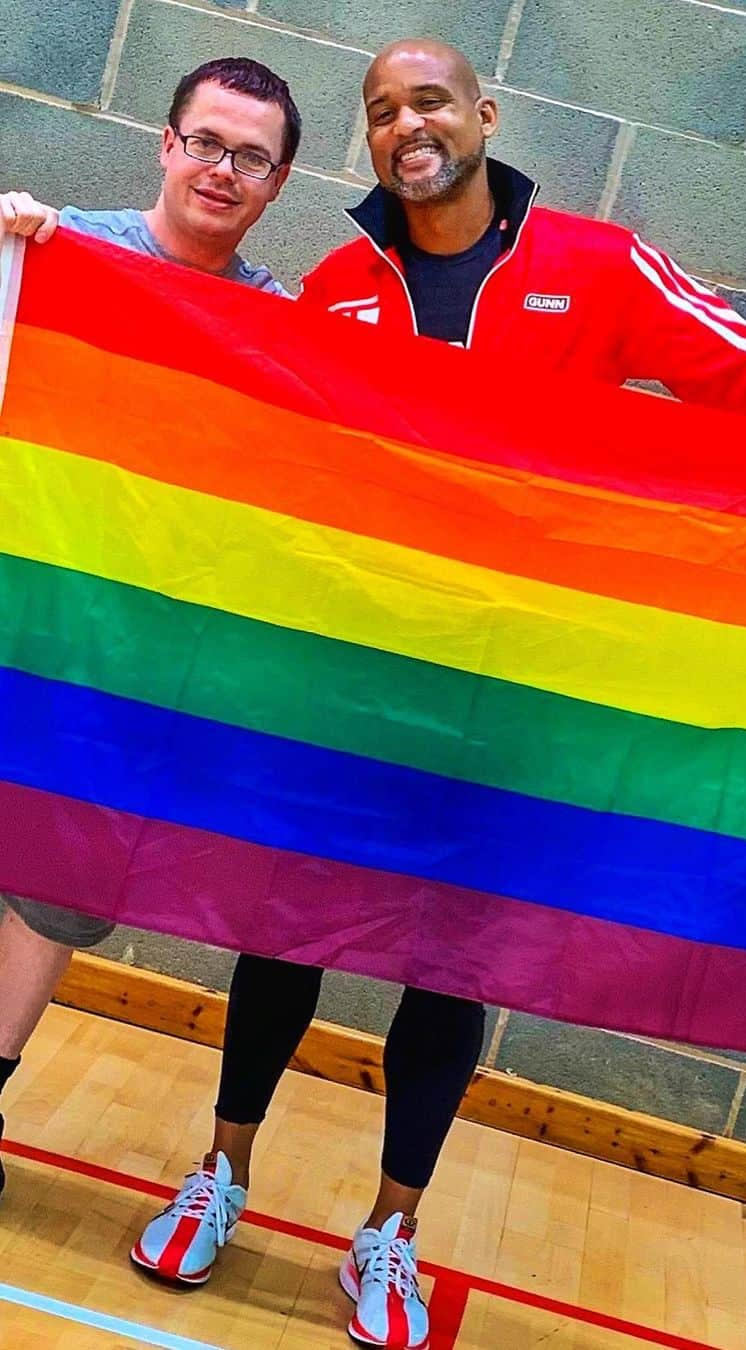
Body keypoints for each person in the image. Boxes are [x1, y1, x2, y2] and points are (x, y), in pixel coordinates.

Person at [7, 36, 746, 1350]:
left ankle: (390, 1229)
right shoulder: (336, 286)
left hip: (514, 705)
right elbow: (213, 399)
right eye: (385, 108)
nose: (411, 125)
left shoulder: (598, 267)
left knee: (452, 963)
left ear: (483, 115)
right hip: (346, 685)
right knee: (279, 926)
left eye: (432, 102)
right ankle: (223, 1169)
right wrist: (48, 266)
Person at [0, 42, 296, 1269]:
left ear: (277, 183)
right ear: (166, 144)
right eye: (208, 142)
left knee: (49, 887)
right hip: (20, 598)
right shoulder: (60, 251)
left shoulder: (281, 326)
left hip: (126, 663)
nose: (224, 170)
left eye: (254, 157)